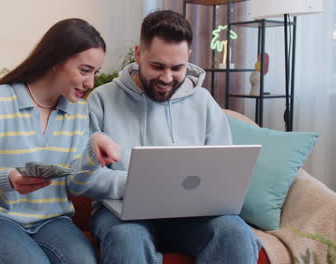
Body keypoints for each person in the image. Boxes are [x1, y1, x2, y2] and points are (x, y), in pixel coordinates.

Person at [85, 10, 263, 264]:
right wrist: (139, 184)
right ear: (138, 54)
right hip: (121, 214)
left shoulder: (203, 102)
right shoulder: (102, 100)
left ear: (189, 57)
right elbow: (87, 177)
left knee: (235, 233)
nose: (167, 78)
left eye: (177, 67)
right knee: (126, 239)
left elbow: (223, 174)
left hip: (194, 216)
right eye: (157, 66)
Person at [0, 18, 120, 264]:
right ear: (55, 60)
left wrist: (93, 157)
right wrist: (9, 179)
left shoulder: (78, 112)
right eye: (84, 70)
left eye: (95, 73)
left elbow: (74, 185)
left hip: (51, 220)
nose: (91, 82)